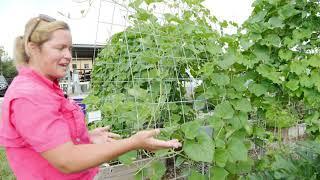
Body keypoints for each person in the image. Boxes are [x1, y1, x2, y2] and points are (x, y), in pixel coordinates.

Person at [0, 14, 181, 180]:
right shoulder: (30, 96)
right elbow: (67, 160)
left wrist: (86, 137)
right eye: (60, 48)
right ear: (33, 49)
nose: (68, 56)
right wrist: (134, 142)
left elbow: (48, 141)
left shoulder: (45, 88)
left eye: (69, 48)